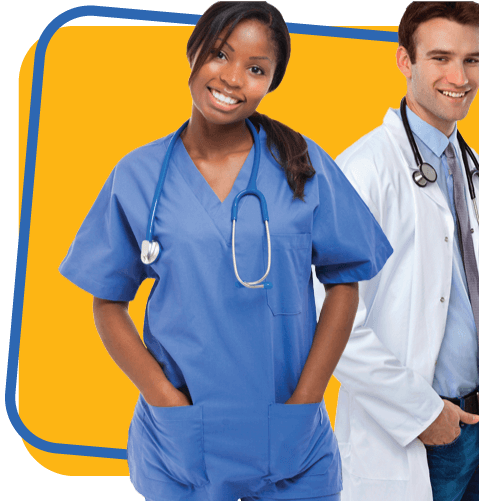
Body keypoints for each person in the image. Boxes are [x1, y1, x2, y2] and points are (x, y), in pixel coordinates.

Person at [59, 2, 392, 500]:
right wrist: (161, 398)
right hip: (179, 447)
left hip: (291, 447)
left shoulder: (300, 164)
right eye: (220, 54)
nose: (233, 78)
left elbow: (345, 280)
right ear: (193, 52)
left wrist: (307, 399)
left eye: (256, 69)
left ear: (271, 82)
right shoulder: (138, 176)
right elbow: (106, 302)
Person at [315, 2, 479, 500]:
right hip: (417, 431)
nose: (459, 76)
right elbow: (329, 320)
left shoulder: (476, 170)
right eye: (440, 58)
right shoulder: (363, 172)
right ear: (404, 62)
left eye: (472, 60)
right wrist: (422, 413)